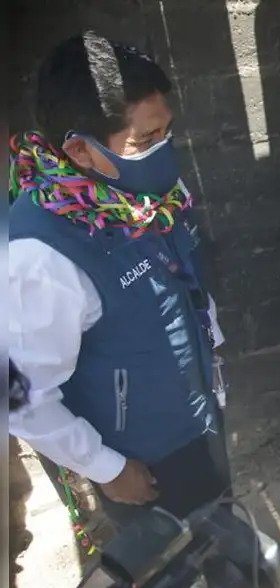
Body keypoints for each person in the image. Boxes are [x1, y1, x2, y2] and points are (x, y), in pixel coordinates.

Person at [9, 32, 231, 529]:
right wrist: (105, 468)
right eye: (145, 140)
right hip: (145, 457)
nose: (164, 151)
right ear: (80, 152)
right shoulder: (41, 257)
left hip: (198, 412)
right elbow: (20, 395)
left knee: (222, 535)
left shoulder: (146, 193)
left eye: (167, 132)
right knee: (171, 561)